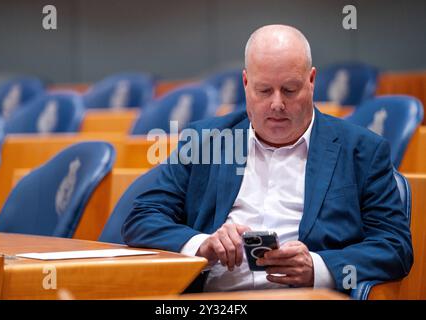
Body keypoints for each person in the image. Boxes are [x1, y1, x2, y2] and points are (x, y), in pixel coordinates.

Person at [123, 25, 413, 293]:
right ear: (246, 83)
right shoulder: (204, 140)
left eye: (289, 89)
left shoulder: (361, 150)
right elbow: (142, 218)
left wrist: (318, 267)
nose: (277, 104)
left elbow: (394, 247)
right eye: (264, 90)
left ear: (311, 81)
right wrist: (203, 245)